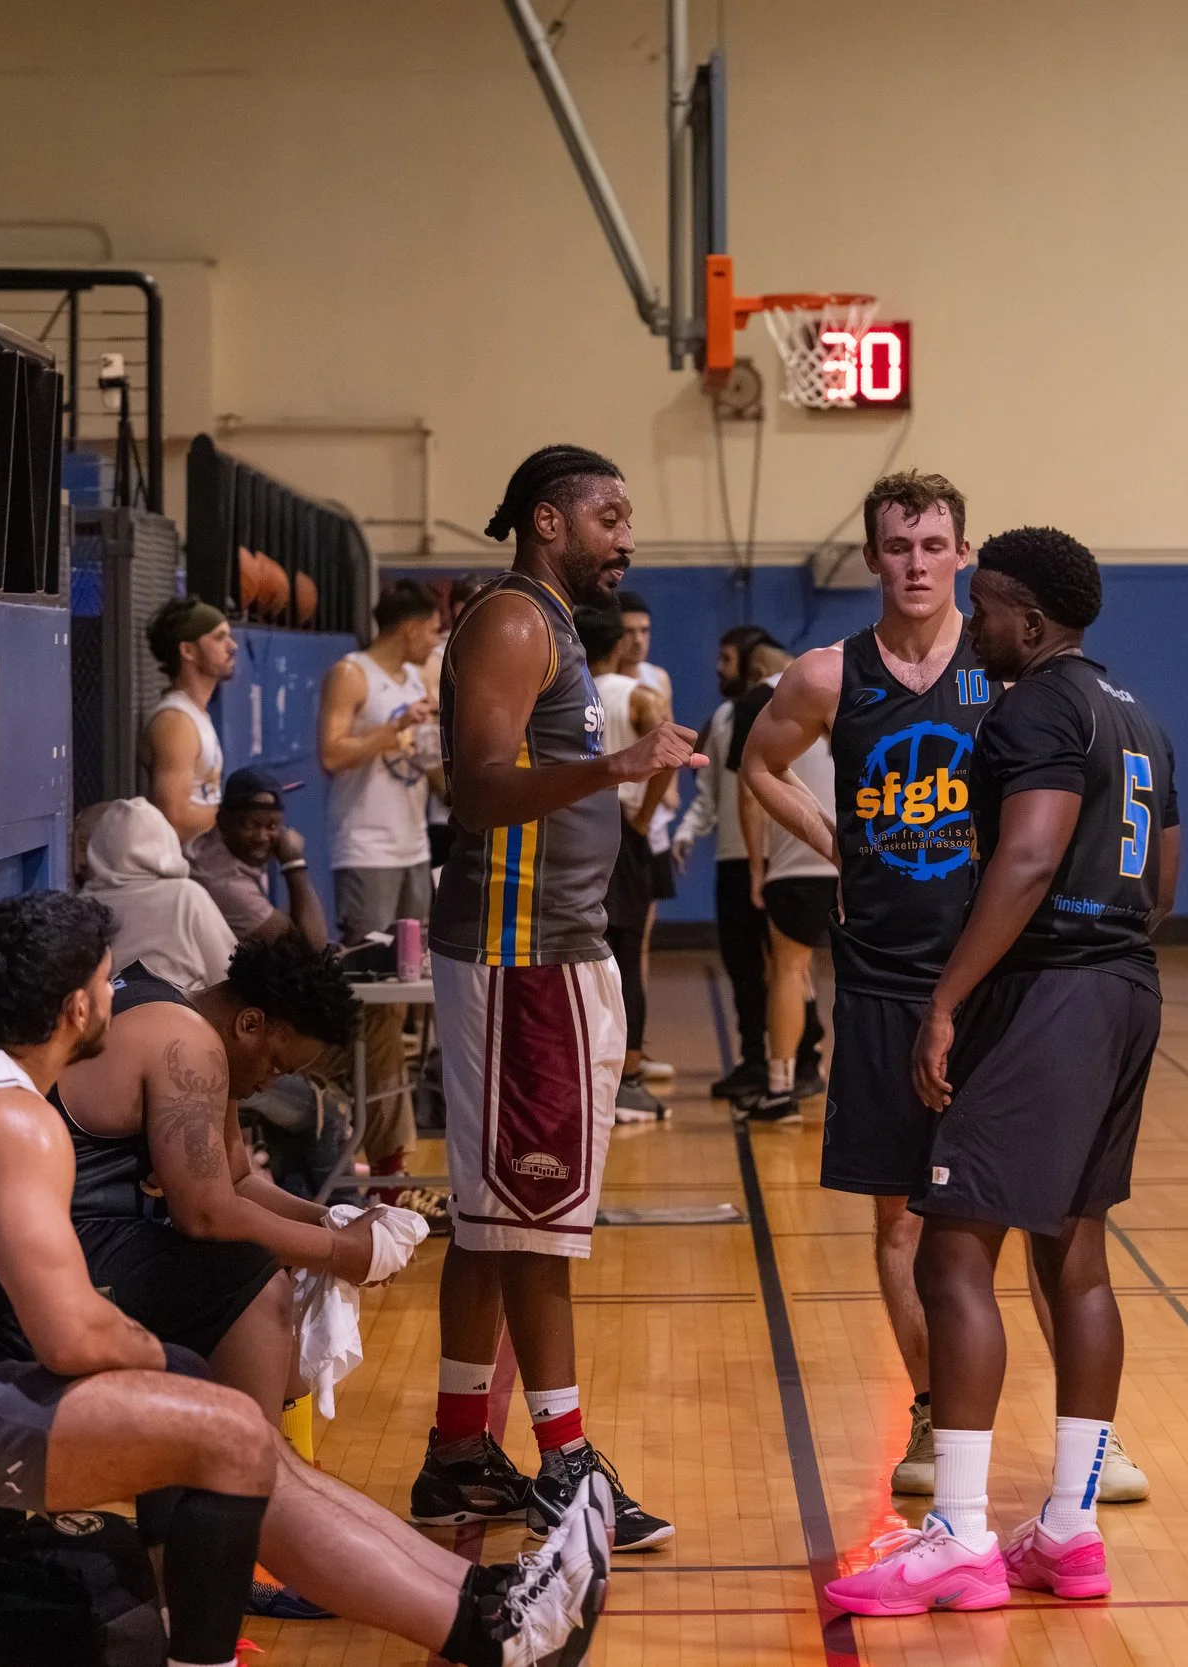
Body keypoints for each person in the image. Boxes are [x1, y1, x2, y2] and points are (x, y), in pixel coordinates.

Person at [0, 889, 614, 1667]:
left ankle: (487, 1605)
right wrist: (165, 1366)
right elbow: (71, 1333)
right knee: (227, 1433)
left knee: (228, 1423)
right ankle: (482, 1625)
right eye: (104, 981)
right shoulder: (16, 1121)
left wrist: (173, 1371)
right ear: (76, 1008)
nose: (117, 996)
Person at [740, 476, 1145, 1506]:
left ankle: (1090, 1437)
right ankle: (931, 1406)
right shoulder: (828, 674)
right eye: (896, 545)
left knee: (1053, 1219)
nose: (915, 563)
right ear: (871, 556)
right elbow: (760, 762)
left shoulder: (1008, 666)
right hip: (883, 973)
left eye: (932, 544)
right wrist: (835, 841)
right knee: (902, 1221)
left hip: (1000, 977)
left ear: (963, 554)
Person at [826, 526, 1180, 1616]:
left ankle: (961, 1535)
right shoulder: (1136, 714)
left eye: (984, 606)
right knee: (1076, 1253)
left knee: (953, 1249)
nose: (972, 623)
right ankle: (1069, 1530)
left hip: (1048, 995)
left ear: (1031, 620)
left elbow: (1027, 855)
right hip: (1125, 986)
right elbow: (1163, 880)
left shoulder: (1031, 708)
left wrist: (945, 1001)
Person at [411, 445, 701, 1553]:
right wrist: (614, 768)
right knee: (531, 1225)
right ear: (548, 520)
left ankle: (457, 1455)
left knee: (494, 1219)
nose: (627, 537)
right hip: (520, 955)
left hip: (541, 951)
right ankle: (568, 1466)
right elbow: (480, 789)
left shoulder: (551, 626)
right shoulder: (513, 620)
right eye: (609, 516)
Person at [49, 932, 385, 1419]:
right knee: (255, 1282)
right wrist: (338, 1251)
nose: (270, 1082)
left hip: (88, 1233)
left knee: (276, 1277)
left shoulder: (184, 1012)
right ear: (250, 1023)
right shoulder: (188, 1044)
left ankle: (275, 1452)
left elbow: (236, 1181)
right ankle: (253, 1459)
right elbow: (206, 1214)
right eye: (276, 1066)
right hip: (57, 1248)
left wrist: (332, 1222)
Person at [671, 627, 789, 1099]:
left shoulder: (790, 714)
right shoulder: (722, 718)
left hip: (780, 857)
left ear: (751, 663)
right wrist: (686, 832)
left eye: (726, 659)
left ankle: (800, 1058)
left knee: (790, 966)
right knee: (743, 968)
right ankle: (755, 1059)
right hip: (734, 859)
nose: (719, 669)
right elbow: (709, 794)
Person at [583, 603, 680, 1122]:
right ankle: (629, 1077)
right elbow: (673, 752)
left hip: (577, 830)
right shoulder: (641, 695)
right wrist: (643, 818)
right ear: (618, 644)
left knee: (583, 955)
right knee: (626, 956)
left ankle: (589, 1071)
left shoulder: (562, 694)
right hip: (623, 831)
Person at [736, 654, 835, 1124]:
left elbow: (749, 791)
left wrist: (756, 869)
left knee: (790, 970)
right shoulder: (862, 699)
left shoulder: (775, 708)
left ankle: (780, 1089)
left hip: (799, 863)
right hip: (865, 858)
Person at [320, 579, 443, 941]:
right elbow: (331, 755)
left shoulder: (416, 680)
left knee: (414, 962)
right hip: (367, 848)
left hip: (414, 845)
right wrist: (395, 728)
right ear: (411, 629)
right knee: (371, 961)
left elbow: (425, 763)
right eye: (433, 631)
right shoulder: (351, 674)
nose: (436, 641)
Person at [614, 589, 679, 1084]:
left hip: (648, 827)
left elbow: (670, 741)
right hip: (613, 823)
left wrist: (667, 795)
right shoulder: (603, 685)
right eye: (629, 631)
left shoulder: (657, 680)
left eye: (645, 631)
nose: (638, 640)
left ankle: (636, 1044)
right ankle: (614, 1047)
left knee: (640, 941)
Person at [79, 796, 237, 991]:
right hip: (183, 1007)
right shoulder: (185, 896)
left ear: (99, 847)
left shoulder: (82, 905)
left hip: (111, 1009)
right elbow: (229, 971)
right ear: (166, 842)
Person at [184, 765, 332, 949]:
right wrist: (295, 864)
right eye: (251, 825)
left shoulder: (211, 849)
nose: (262, 837)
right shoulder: (225, 882)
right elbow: (311, 949)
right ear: (223, 819)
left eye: (272, 826)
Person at [144, 597, 238, 843]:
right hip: (181, 861)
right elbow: (174, 818)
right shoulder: (176, 721)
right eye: (219, 637)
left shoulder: (194, 714)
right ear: (188, 651)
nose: (232, 646)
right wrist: (238, 818)